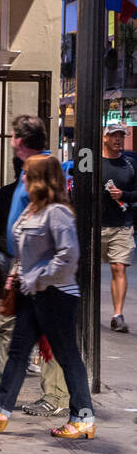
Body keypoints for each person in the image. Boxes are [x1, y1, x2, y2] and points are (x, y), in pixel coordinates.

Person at [0, 155, 97, 440]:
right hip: (32, 294)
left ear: (40, 178)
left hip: (56, 295)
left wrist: (37, 276)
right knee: (17, 353)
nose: (22, 178)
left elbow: (69, 255)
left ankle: (83, 417)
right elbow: (24, 251)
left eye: (27, 174)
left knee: (66, 355)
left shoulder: (58, 212)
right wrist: (18, 274)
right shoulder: (32, 210)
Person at [0, 116, 68, 416]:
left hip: (38, 267)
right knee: (13, 330)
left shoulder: (42, 168)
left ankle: (57, 397)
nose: (10, 139)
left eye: (12, 135)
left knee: (48, 335)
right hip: (25, 264)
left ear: (19, 140)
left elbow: (48, 219)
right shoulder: (32, 169)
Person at [100, 124, 137, 332]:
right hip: (96, 224)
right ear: (104, 138)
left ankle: (118, 314)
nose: (118, 140)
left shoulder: (130, 165)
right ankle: (84, 311)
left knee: (119, 267)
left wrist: (124, 195)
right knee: (87, 271)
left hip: (121, 225)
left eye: (121, 136)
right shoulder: (94, 163)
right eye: (113, 135)